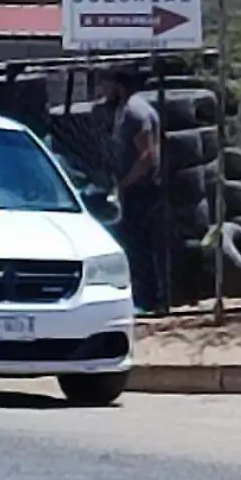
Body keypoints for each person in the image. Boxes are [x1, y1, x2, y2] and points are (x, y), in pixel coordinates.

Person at [97, 67, 164, 314]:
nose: (102, 90)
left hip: (140, 189)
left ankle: (148, 300)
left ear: (118, 84)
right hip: (137, 188)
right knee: (137, 243)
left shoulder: (135, 112)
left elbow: (148, 155)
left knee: (138, 244)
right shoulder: (128, 109)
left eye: (105, 83)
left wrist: (125, 183)